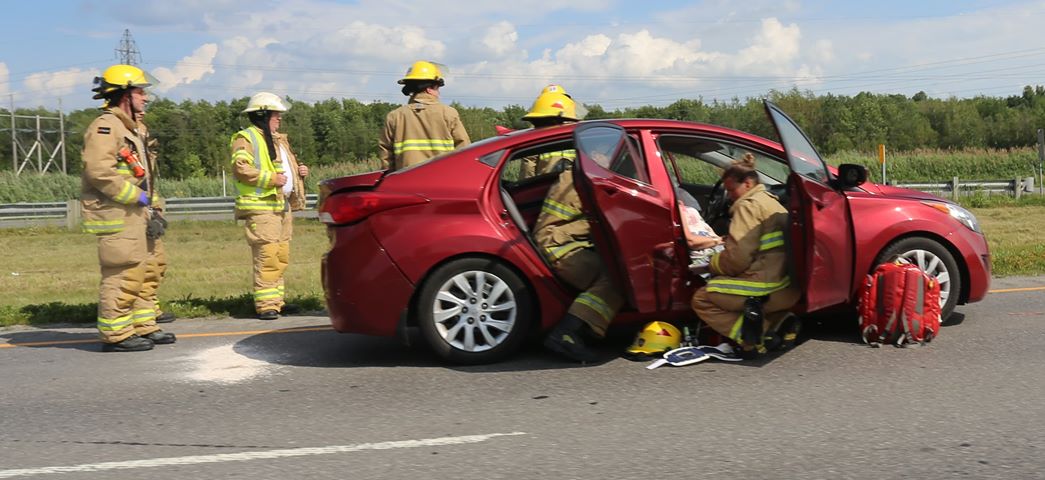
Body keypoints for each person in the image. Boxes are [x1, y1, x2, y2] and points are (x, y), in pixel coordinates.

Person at [82, 64, 176, 351]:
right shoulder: (105, 127)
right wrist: (136, 197)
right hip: (118, 214)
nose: (145, 97)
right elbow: (99, 172)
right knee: (123, 272)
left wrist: (153, 205)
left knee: (148, 269)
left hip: (139, 213)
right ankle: (116, 334)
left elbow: (145, 175)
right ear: (124, 94)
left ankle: (144, 324)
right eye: (139, 91)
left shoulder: (133, 129)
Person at [529, 90, 624, 363]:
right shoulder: (584, 177)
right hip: (559, 244)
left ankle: (589, 327)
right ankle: (569, 333)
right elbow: (598, 220)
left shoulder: (576, 170)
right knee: (617, 279)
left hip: (560, 239)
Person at [690, 154, 800, 358]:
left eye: (732, 190)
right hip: (788, 288)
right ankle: (781, 321)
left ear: (748, 184)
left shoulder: (747, 206)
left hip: (765, 288)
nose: (730, 195)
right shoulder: (772, 202)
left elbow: (736, 259)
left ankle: (756, 336)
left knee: (702, 297)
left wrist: (712, 264)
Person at [230, 92, 309, 320]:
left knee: (281, 255)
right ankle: (266, 305)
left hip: (280, 206)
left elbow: (286, 168)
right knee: (267, 256)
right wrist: (270, 180)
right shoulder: (246, 138)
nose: (280, 119)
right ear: (263, 115)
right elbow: (241, 168)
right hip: (262, 207)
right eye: (276, 114)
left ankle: (277, 301)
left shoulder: (278, 139)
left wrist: (301, 172)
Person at [378, 60, 470, 171]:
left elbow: (386, 156)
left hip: (405, 182)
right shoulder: (449, 113)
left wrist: (391, 180)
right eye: (438, 88)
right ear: (429, 89)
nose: (439, 93)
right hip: (443, 180)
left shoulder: (394, 116)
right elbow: (464, 150)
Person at [135, 111, 174, 324]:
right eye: (138, 94)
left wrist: (155, 207)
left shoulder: (139, 133)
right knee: (142, 266)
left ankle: (148, 310)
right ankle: (142, 318)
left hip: (146, 209)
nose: (145, 107)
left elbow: (147, 181)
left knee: (157, 263)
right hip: (131, 213)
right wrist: (143, 201)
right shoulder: (117, 133)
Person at [519, 84, 579, 178]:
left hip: (545, 188)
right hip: (573, 187)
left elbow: (528, 169)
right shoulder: (578, 136)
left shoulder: (538, 138)